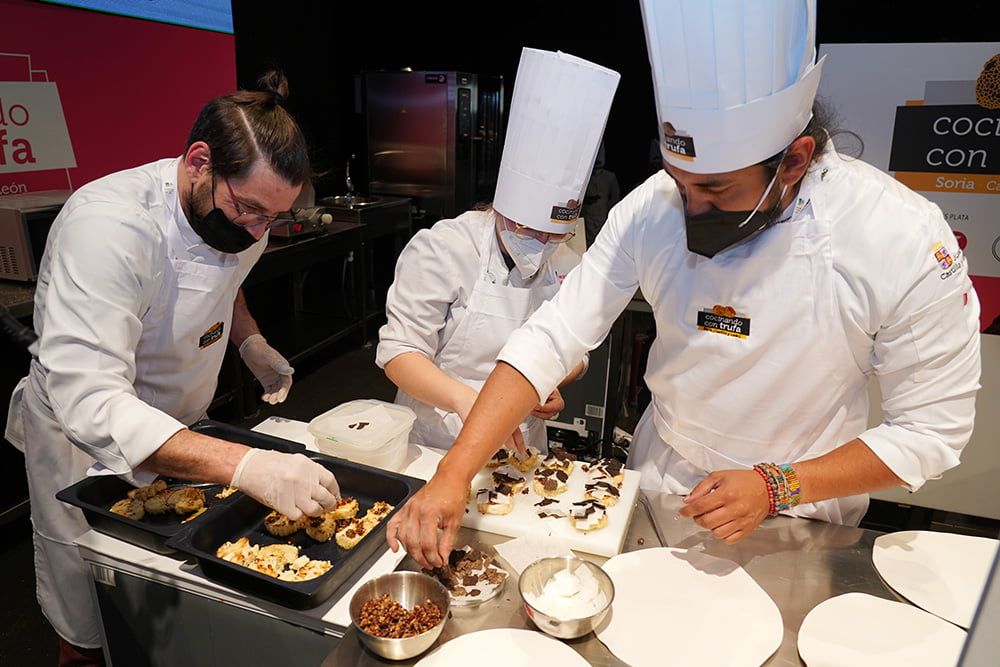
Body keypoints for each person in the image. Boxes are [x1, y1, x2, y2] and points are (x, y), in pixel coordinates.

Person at [387, 0, 982, 569]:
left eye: (716, 190)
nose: (691, 209)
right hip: (663, 477)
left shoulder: (898, 236)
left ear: (795, 161)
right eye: (680, 182)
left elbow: (930, 431)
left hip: (801, 502)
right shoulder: (652, 209)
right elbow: (554, 335)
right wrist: (454, 472)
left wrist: (777, 485)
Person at [4, 71, 342, 665]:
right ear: (199, 161)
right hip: (84, 447)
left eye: (272, 218)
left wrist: (250, 341)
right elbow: (93, 403)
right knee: (89, 612)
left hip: (185, 437)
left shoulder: (242, 217)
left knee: (177, 604)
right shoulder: (109, 227)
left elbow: (227, 277)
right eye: (249, 210)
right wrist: (245, 464)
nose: (256, 232)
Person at [376, 48, 620, 453]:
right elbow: (400, 353)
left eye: (553, 235)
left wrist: (550, 380)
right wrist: (466, 400)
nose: (541, 243)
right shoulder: (445, 248)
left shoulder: (567, 260)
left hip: (524, 439)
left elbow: (576, 351)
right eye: (529, 228)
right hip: (439, 438)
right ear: (503, 206)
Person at [582, 141, 621, 247]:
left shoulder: (610, 177)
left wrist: (610, 216)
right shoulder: (586, 177)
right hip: (587, 217)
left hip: (603, 217)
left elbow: (615, 199)